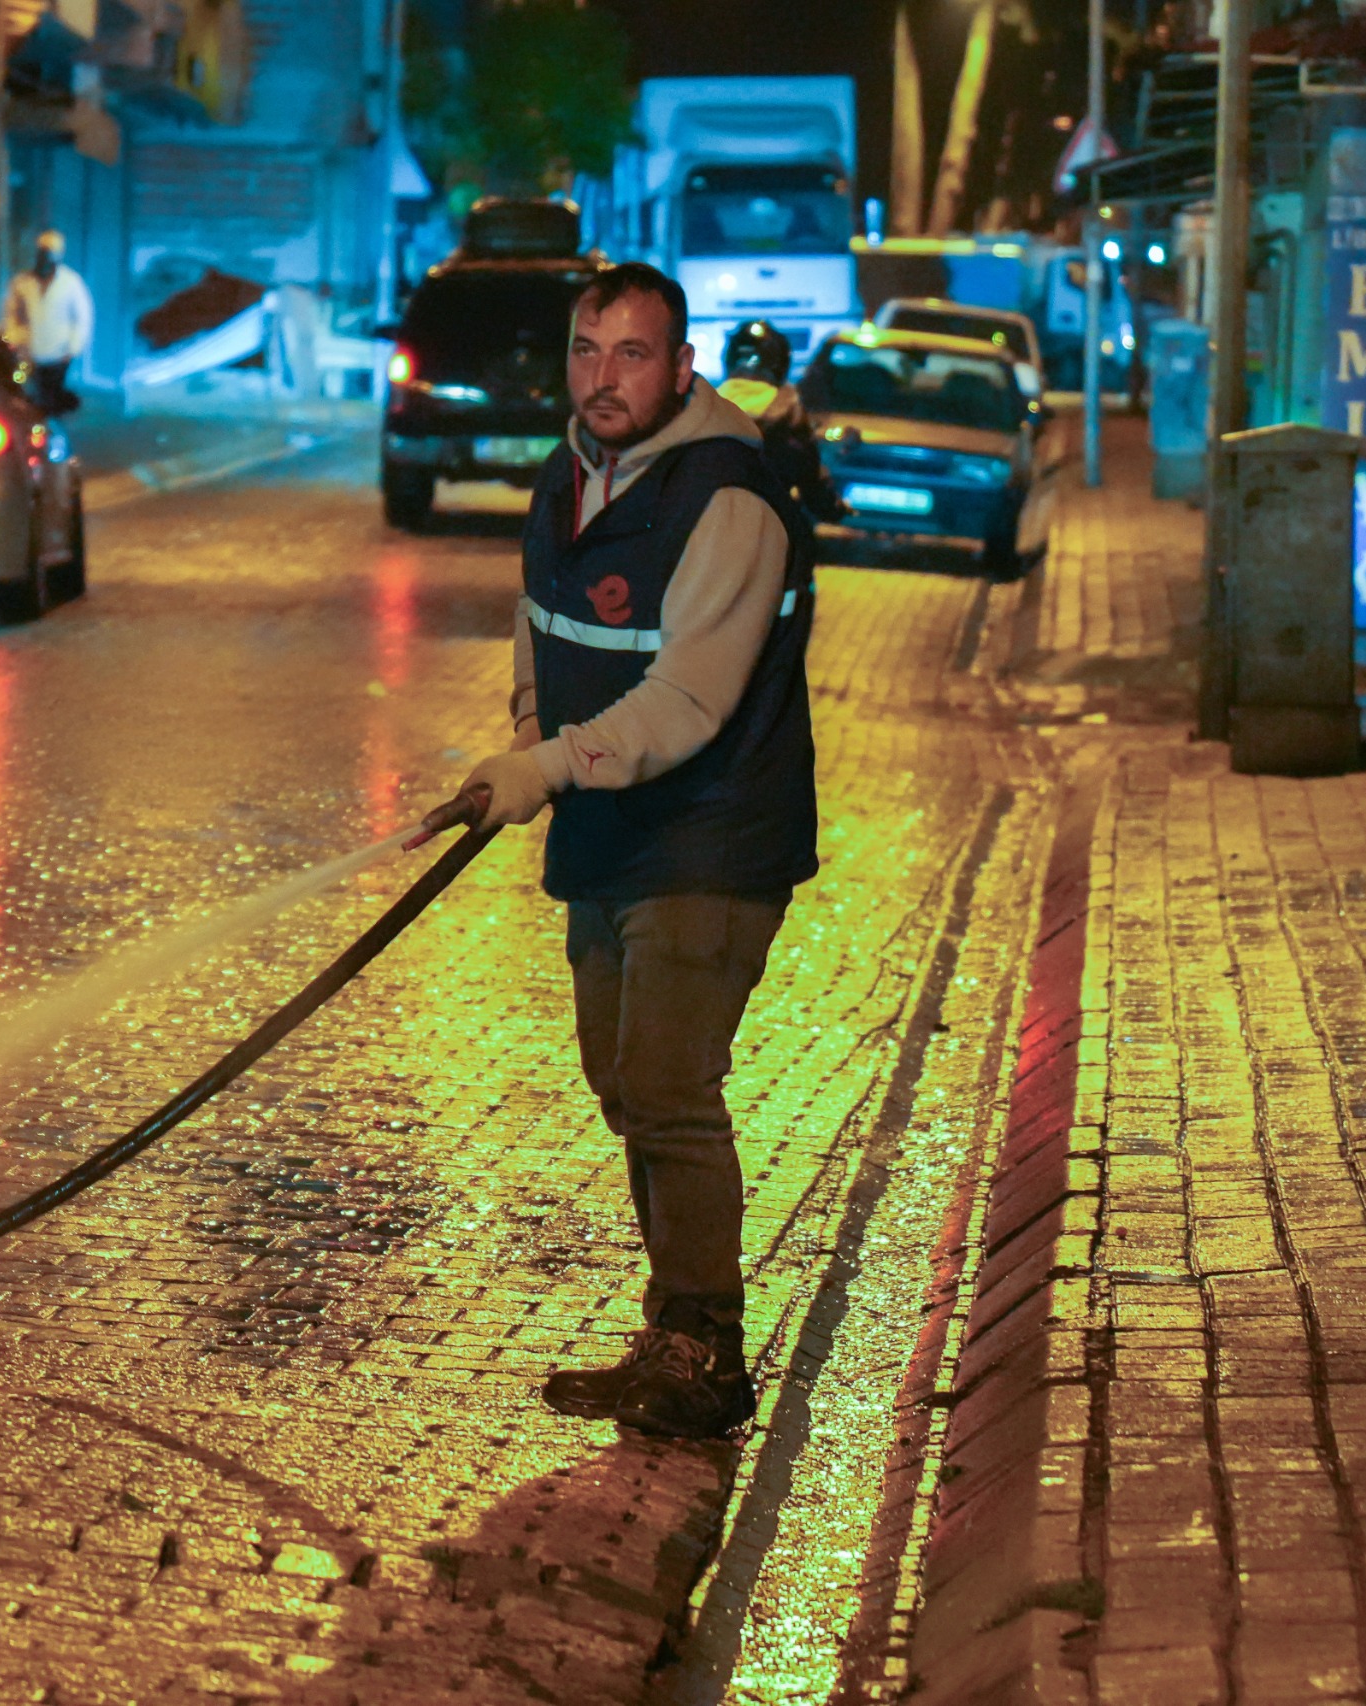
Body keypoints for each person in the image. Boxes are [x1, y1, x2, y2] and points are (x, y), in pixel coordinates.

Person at [415, 263, 817, 1440]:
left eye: (631, 354)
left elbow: (688, 697)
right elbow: (545, 620)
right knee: (621, 1083)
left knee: (667, 1089)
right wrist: (529, 720)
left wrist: (543, 771)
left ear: (680, 366)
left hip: (708, 837)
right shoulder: (570, 473)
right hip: (611, 831)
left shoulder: (727, 500)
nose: (602, 377)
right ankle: (671, 1331)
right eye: (588, 351)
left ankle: (705, 1349)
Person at [716, 319, 840, 524]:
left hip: (709, 529)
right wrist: (832, 508)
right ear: (780, 362)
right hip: (768, 525)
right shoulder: (788, 408)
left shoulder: (702, 404)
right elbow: (810, 479)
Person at [5, 230, 93, 415]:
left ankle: (53, 437)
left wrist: (72, 349)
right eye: (42, 253)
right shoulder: (22, 282)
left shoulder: (71, 283)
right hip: (28, 354)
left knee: (52, 404)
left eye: (49, 254)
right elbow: (11, 314)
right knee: (29, 403)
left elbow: (83, 318)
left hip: (58, 356)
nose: (45, 259)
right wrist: (13, 340)